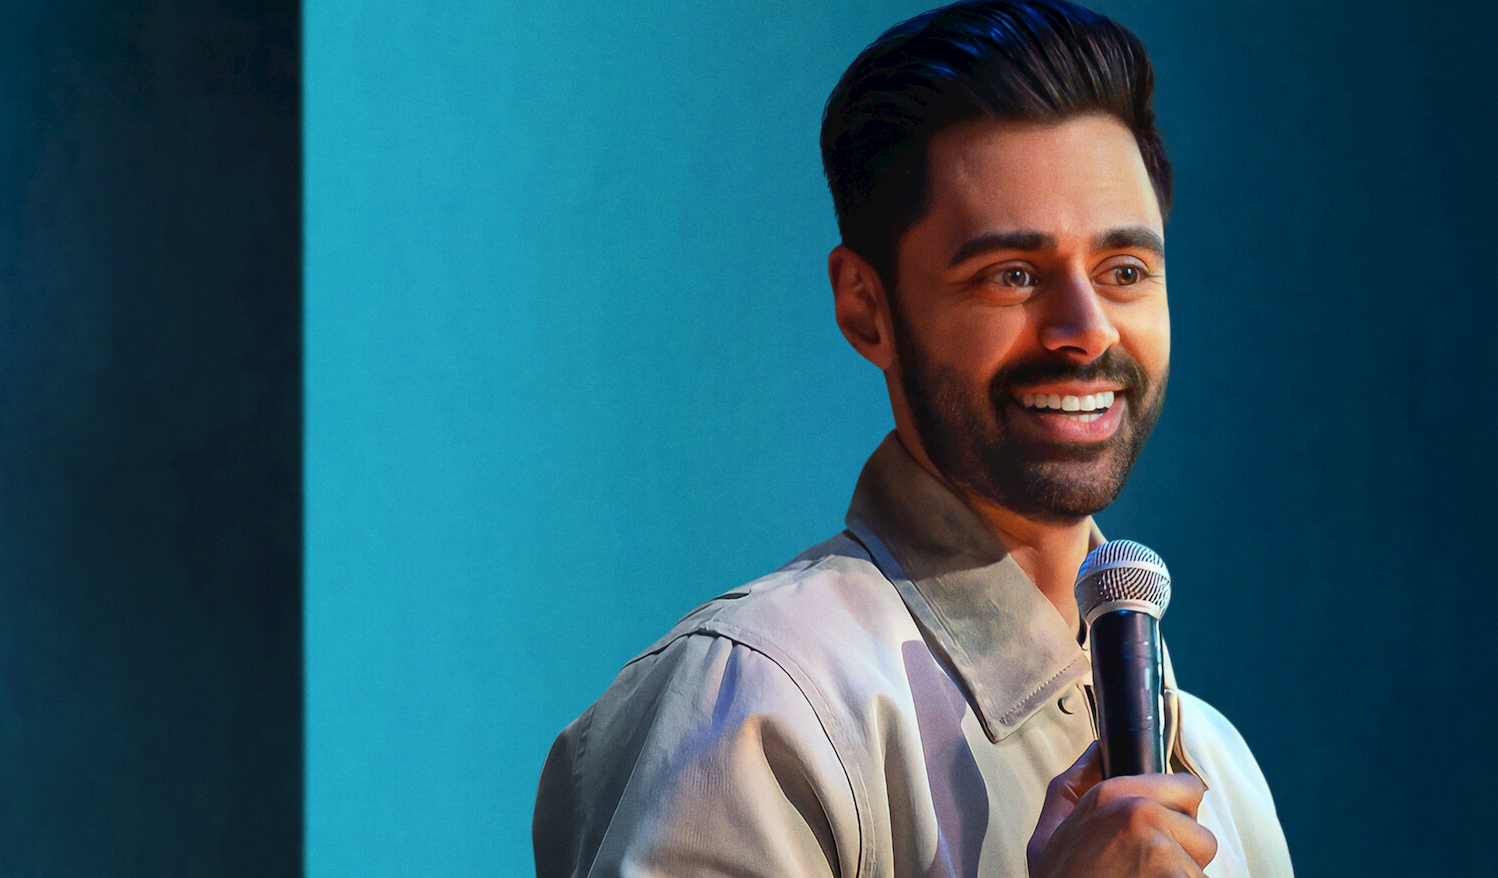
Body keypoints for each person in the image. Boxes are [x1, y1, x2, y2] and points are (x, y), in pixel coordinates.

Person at [533, 1, 1292, 875]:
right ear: (866, 307)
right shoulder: (761, 702)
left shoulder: (1224, 775)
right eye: (1013, 275)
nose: (1086, 329)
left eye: (1124, 271)